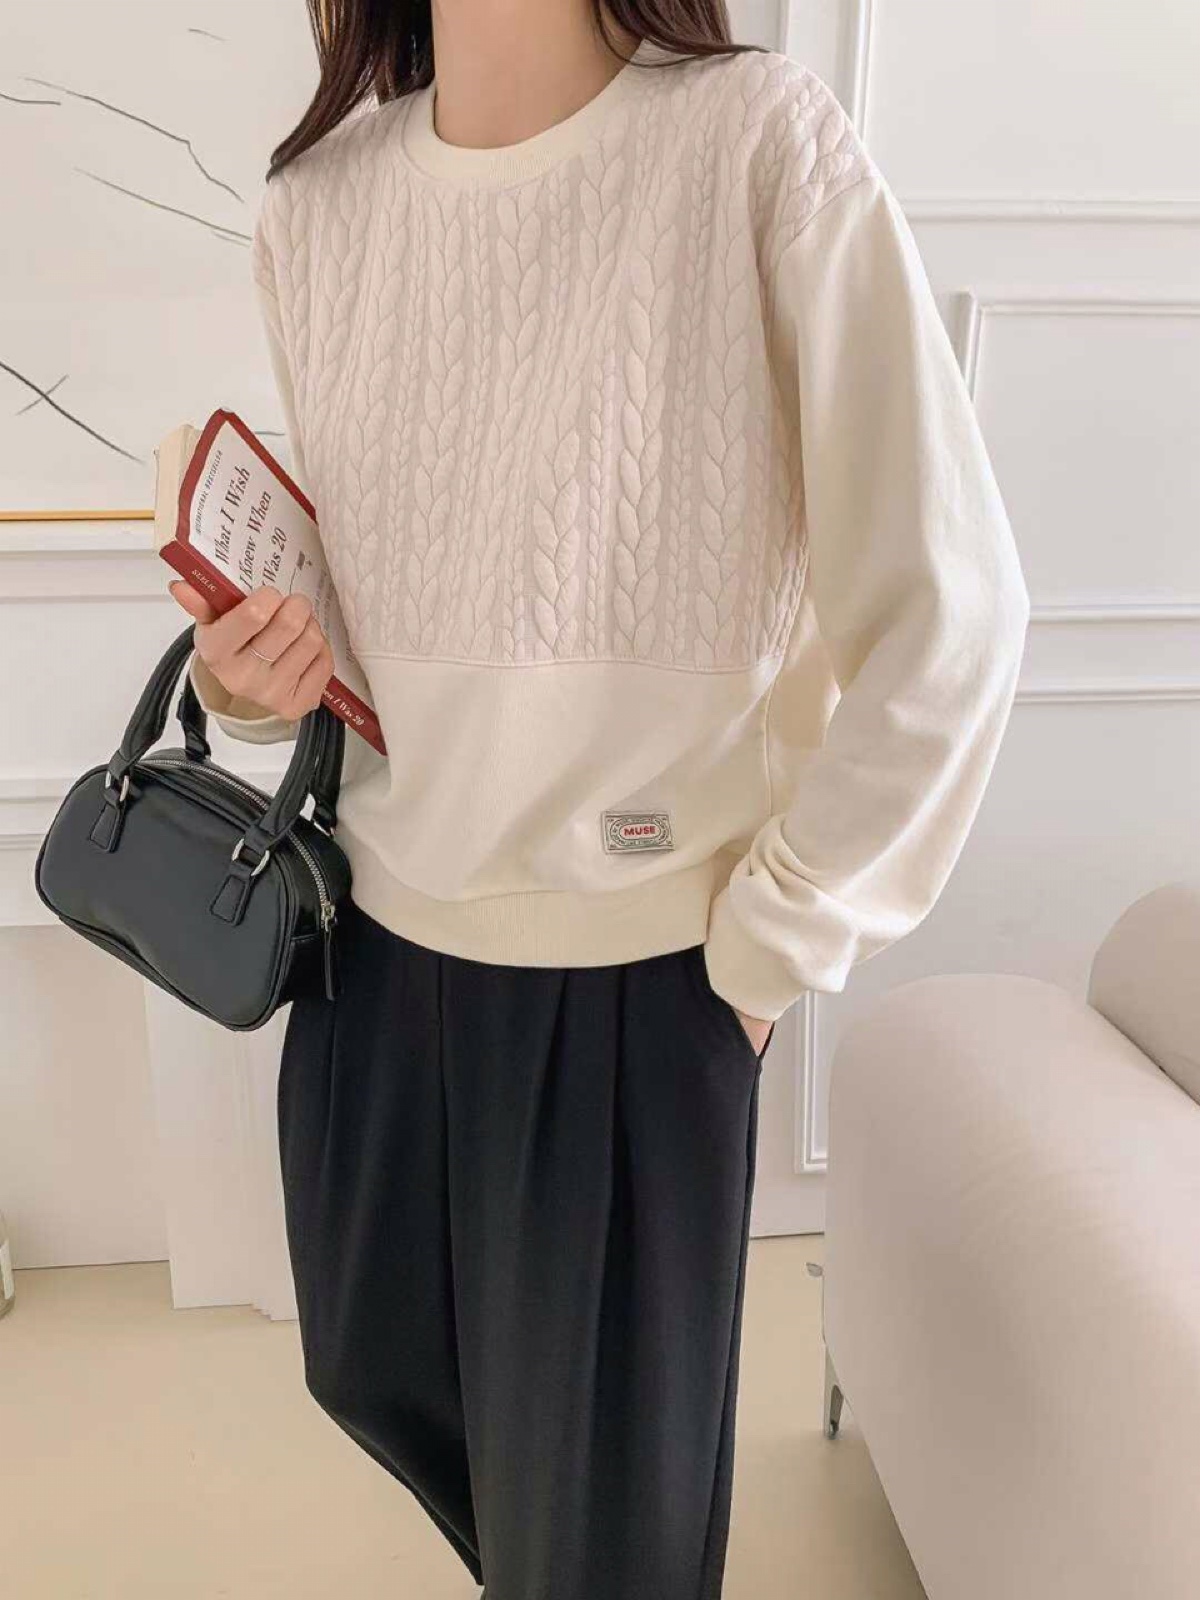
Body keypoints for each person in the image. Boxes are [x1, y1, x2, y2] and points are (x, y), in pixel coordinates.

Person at [168, 4, 1031, 1596]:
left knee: (600, 1545)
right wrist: (248, 679)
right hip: (367, 962)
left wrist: (768, 954)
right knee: (373, 1377)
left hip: (635, 986)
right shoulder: (320, 204)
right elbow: (370, 603)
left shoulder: (754, 141)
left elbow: (952, 614)